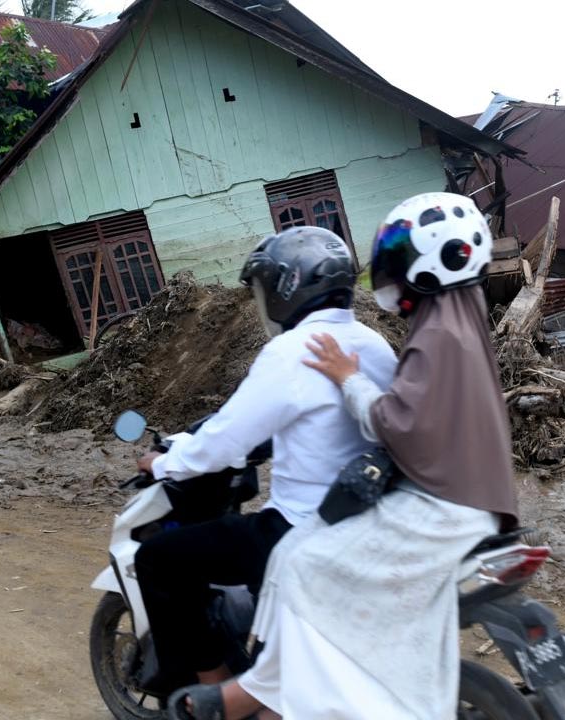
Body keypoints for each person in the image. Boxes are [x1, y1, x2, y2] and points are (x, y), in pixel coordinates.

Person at [168, 192, 519, 720]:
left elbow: (401, 426)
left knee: (299, 562)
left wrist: (346, 378)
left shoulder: (423, 336)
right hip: (457, 497)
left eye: (399, 256)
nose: (392, 270)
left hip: (436, 504)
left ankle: (252, 694)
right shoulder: (437, 325)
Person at [133, 226, 396, 700]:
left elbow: (223, 439)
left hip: (299, 529)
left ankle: (210, 694)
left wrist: (162, 463)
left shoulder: (291, 351)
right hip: (369, 522)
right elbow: (330, 424)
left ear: (286, 287)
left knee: (158, 559)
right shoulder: (374, 345)